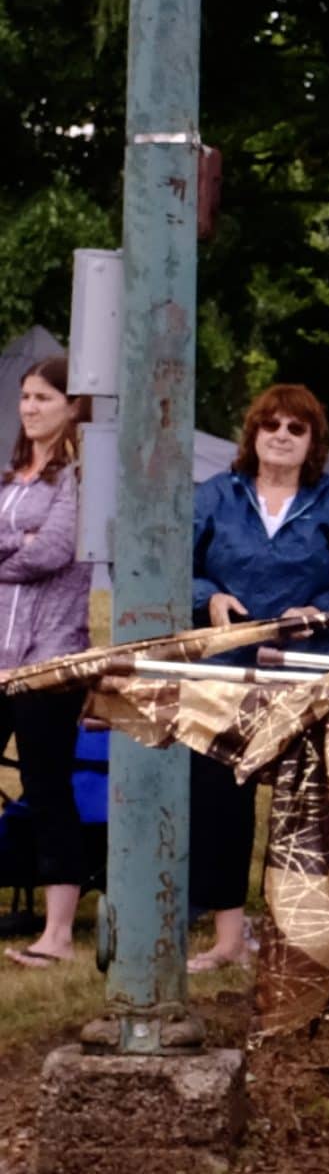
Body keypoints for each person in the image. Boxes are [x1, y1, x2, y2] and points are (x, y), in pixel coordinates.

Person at [187, 385, 329, 971]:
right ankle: (226, 937)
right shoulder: (215, 496)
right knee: (220, 800)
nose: (281, 436)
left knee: (308, 804)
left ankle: (307, 939)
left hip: (306, 672)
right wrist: (209, 596)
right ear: (252, 433)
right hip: (226, 670)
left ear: (313, 441)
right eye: (270, 424)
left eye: (296, 428)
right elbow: (172, 564)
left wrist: (317, 610)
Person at [0, 354, 92, 970]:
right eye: (26, 397)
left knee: (47, 786)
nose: (30, 407)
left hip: (50, 658)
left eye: (44, 397)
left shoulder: (80, 478)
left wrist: (22, 549)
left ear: (72, 406)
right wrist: (19, 545)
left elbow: (55, 551)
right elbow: (28, 552)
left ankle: (57, 932)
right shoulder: (12, 479)